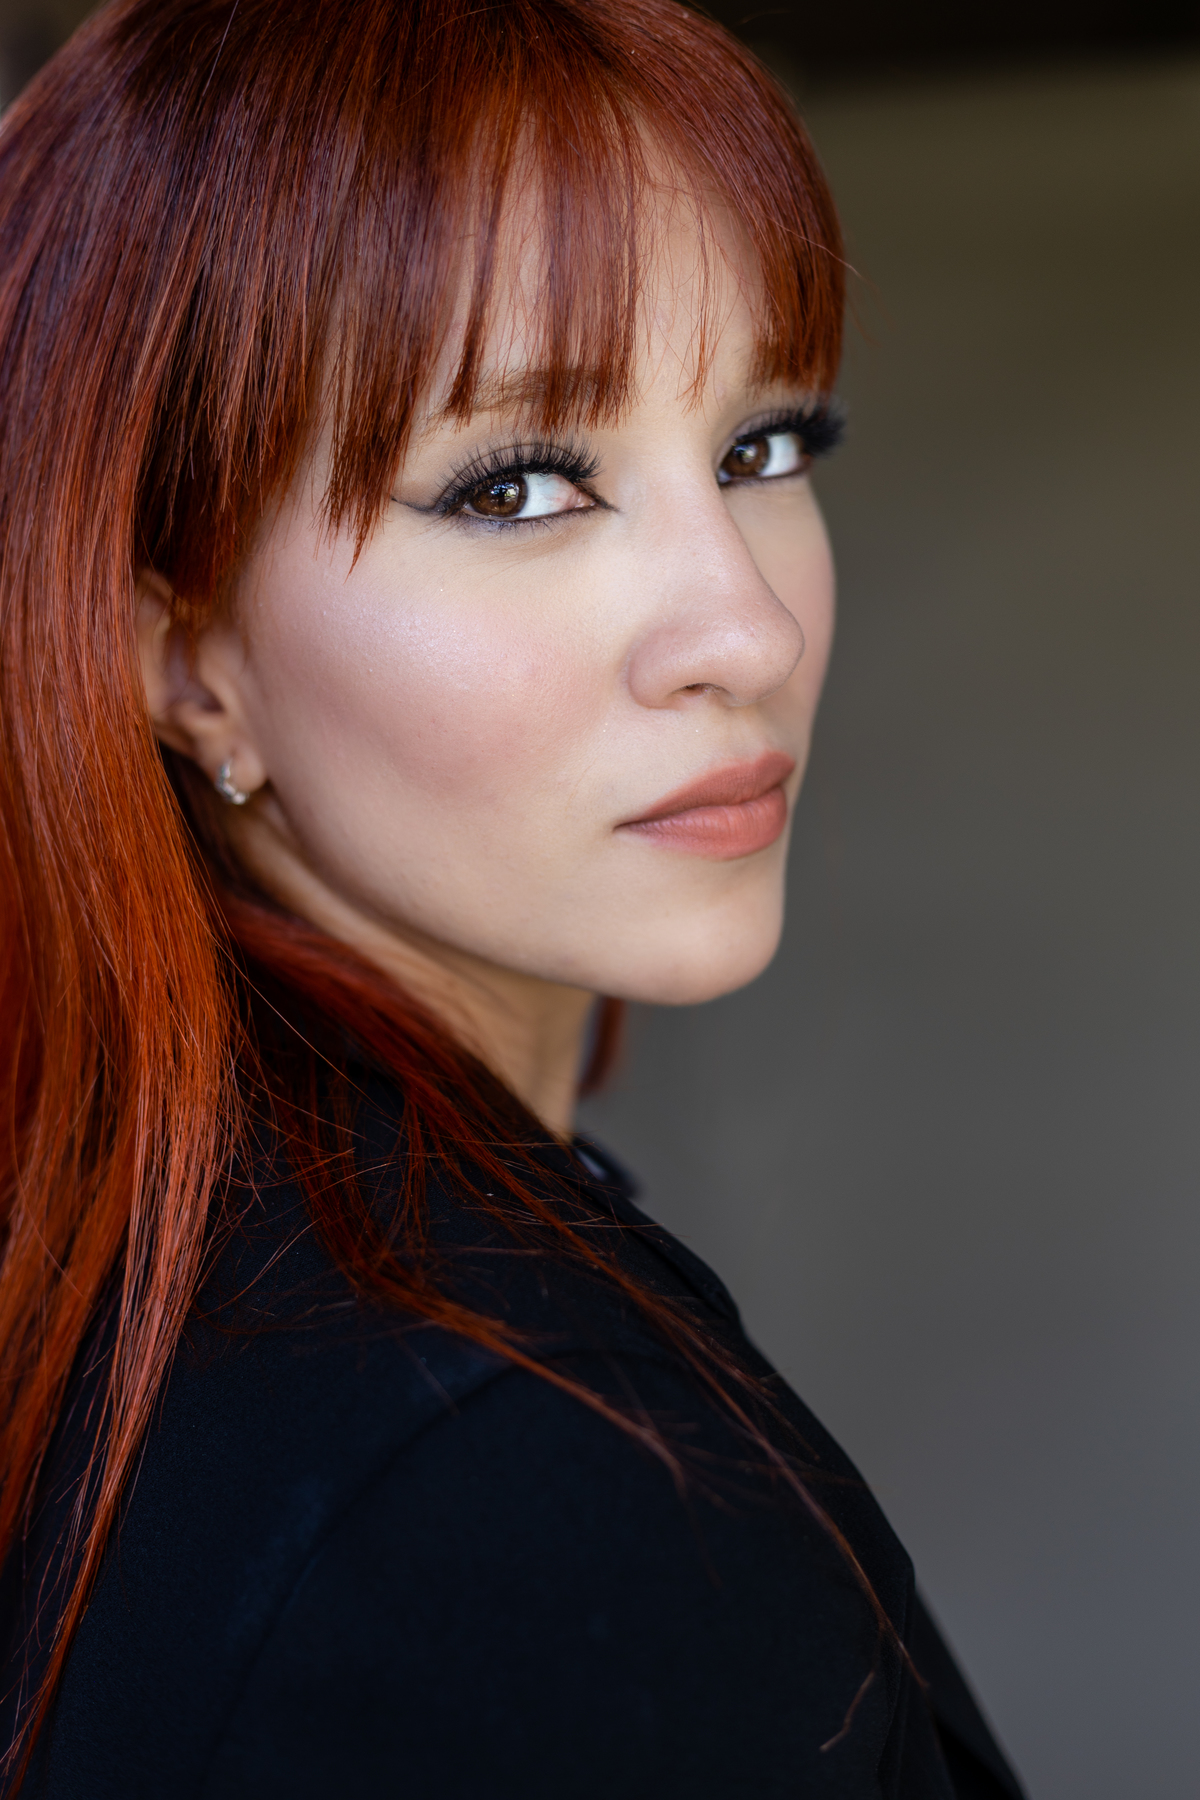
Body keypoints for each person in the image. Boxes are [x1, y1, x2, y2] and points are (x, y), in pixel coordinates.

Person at [0, 0, 1026, 1793]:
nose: (748, 632)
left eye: (763, 449)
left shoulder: (156, 1281)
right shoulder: (519, 1491)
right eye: (522, 485)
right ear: (183, 657)